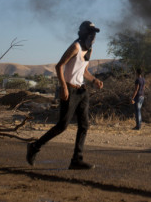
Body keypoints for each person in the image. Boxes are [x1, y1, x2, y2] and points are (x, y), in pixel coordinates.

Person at [26, 21, 104, 170]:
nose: (92, 35)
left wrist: (94, 80)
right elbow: (59, 66)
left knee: (84, 125)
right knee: (62, 126)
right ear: (83, 32)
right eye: (90, 32)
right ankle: (34, 147)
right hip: (70, 89)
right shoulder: (75, 47)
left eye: (94, 33)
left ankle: (77, 159)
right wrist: (63, 87)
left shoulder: (89, 49)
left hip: (82, 91)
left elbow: (84, 71)